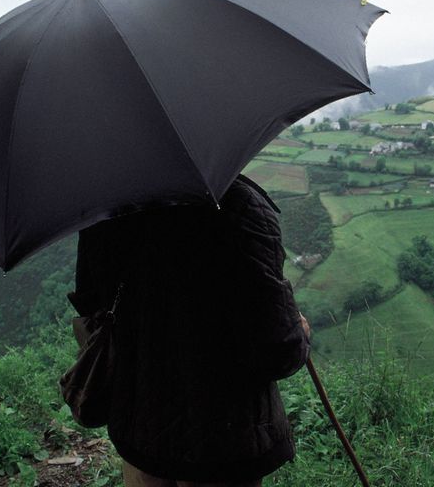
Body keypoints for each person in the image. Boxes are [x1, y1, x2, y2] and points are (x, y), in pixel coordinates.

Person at [73, 175, 311, 487]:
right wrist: (299, 330)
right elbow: (278, 351)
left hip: (141, 429)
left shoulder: (105, 210)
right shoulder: (239, 205)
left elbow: (92, 307)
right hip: (226, 442)